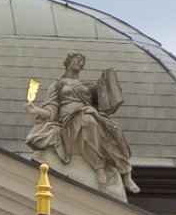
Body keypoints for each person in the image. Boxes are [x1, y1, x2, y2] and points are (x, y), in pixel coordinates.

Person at [26, 51, 137, 194]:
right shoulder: (58, 85)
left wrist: (109, 86)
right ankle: (99, 167)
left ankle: (126, 173)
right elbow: (52, 110)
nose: (81, 63)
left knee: (113, 129)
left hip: (89, 115)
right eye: (78, 59)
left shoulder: (89, 86)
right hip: (69, 120)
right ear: (68, 61)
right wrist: (36, 111)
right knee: (87, 119)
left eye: (82, 61)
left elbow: (105, 104)